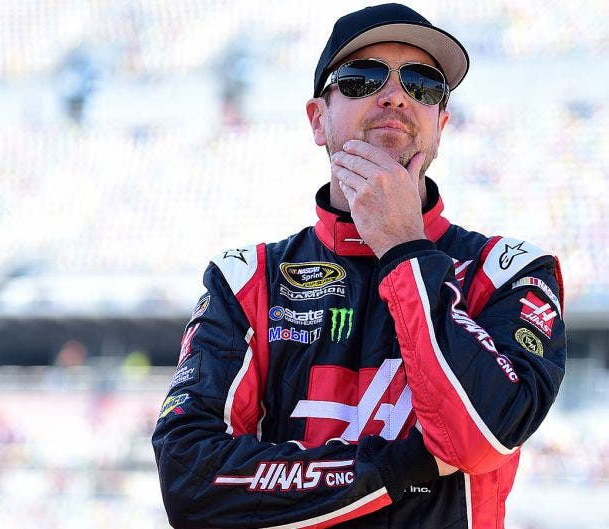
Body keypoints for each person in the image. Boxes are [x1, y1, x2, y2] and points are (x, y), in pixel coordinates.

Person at [152, 4, 565, 529]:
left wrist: (403, 247)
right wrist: (401, 467)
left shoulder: (511, 274)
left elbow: (481, 437)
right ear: (317, 119)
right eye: (363, 77)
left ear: (441, 123)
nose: (394, 95)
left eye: (423, 84)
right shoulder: (245, 279)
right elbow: (188, 481)